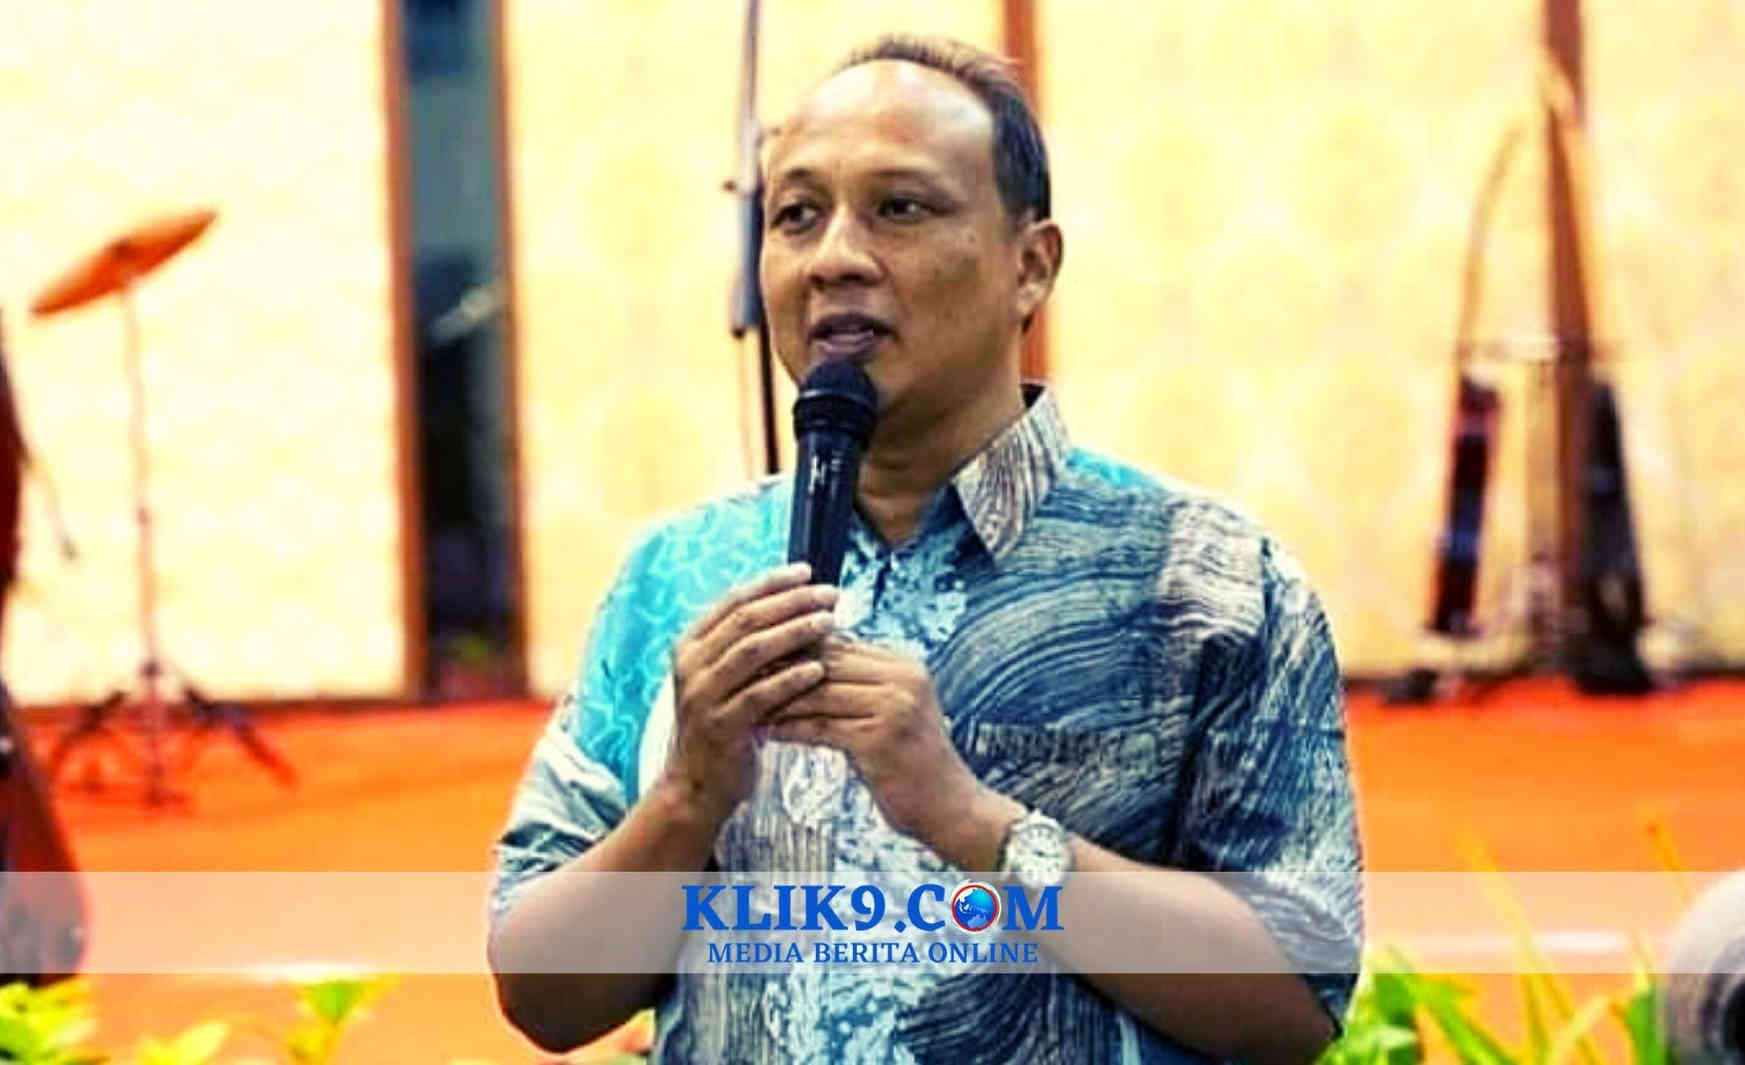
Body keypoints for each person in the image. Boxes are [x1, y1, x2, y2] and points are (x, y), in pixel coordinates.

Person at [489, 33, 1362, 1065]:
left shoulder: (1206, 580)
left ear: (1029, 267)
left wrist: (977, 824)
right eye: (796, 215)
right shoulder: (679, 576)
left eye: (898, 208)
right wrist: (685, 798)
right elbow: (541, 996)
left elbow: (1296, 998)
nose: (834, 258)